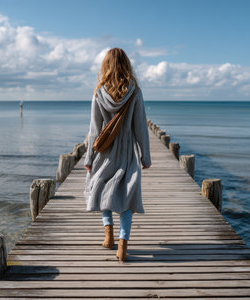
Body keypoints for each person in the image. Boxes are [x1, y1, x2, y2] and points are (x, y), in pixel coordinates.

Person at [84, 48, 151, 262]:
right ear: (126, 66)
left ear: (106, 66)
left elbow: (94, 131)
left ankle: (108, 236)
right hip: (127, 152)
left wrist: (88, 159)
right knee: (127, 194)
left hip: (105, 153)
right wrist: (145, 156)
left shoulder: (98, 93)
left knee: (100, 187)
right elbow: (140, 127)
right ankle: (122, 246)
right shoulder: (135, 92)